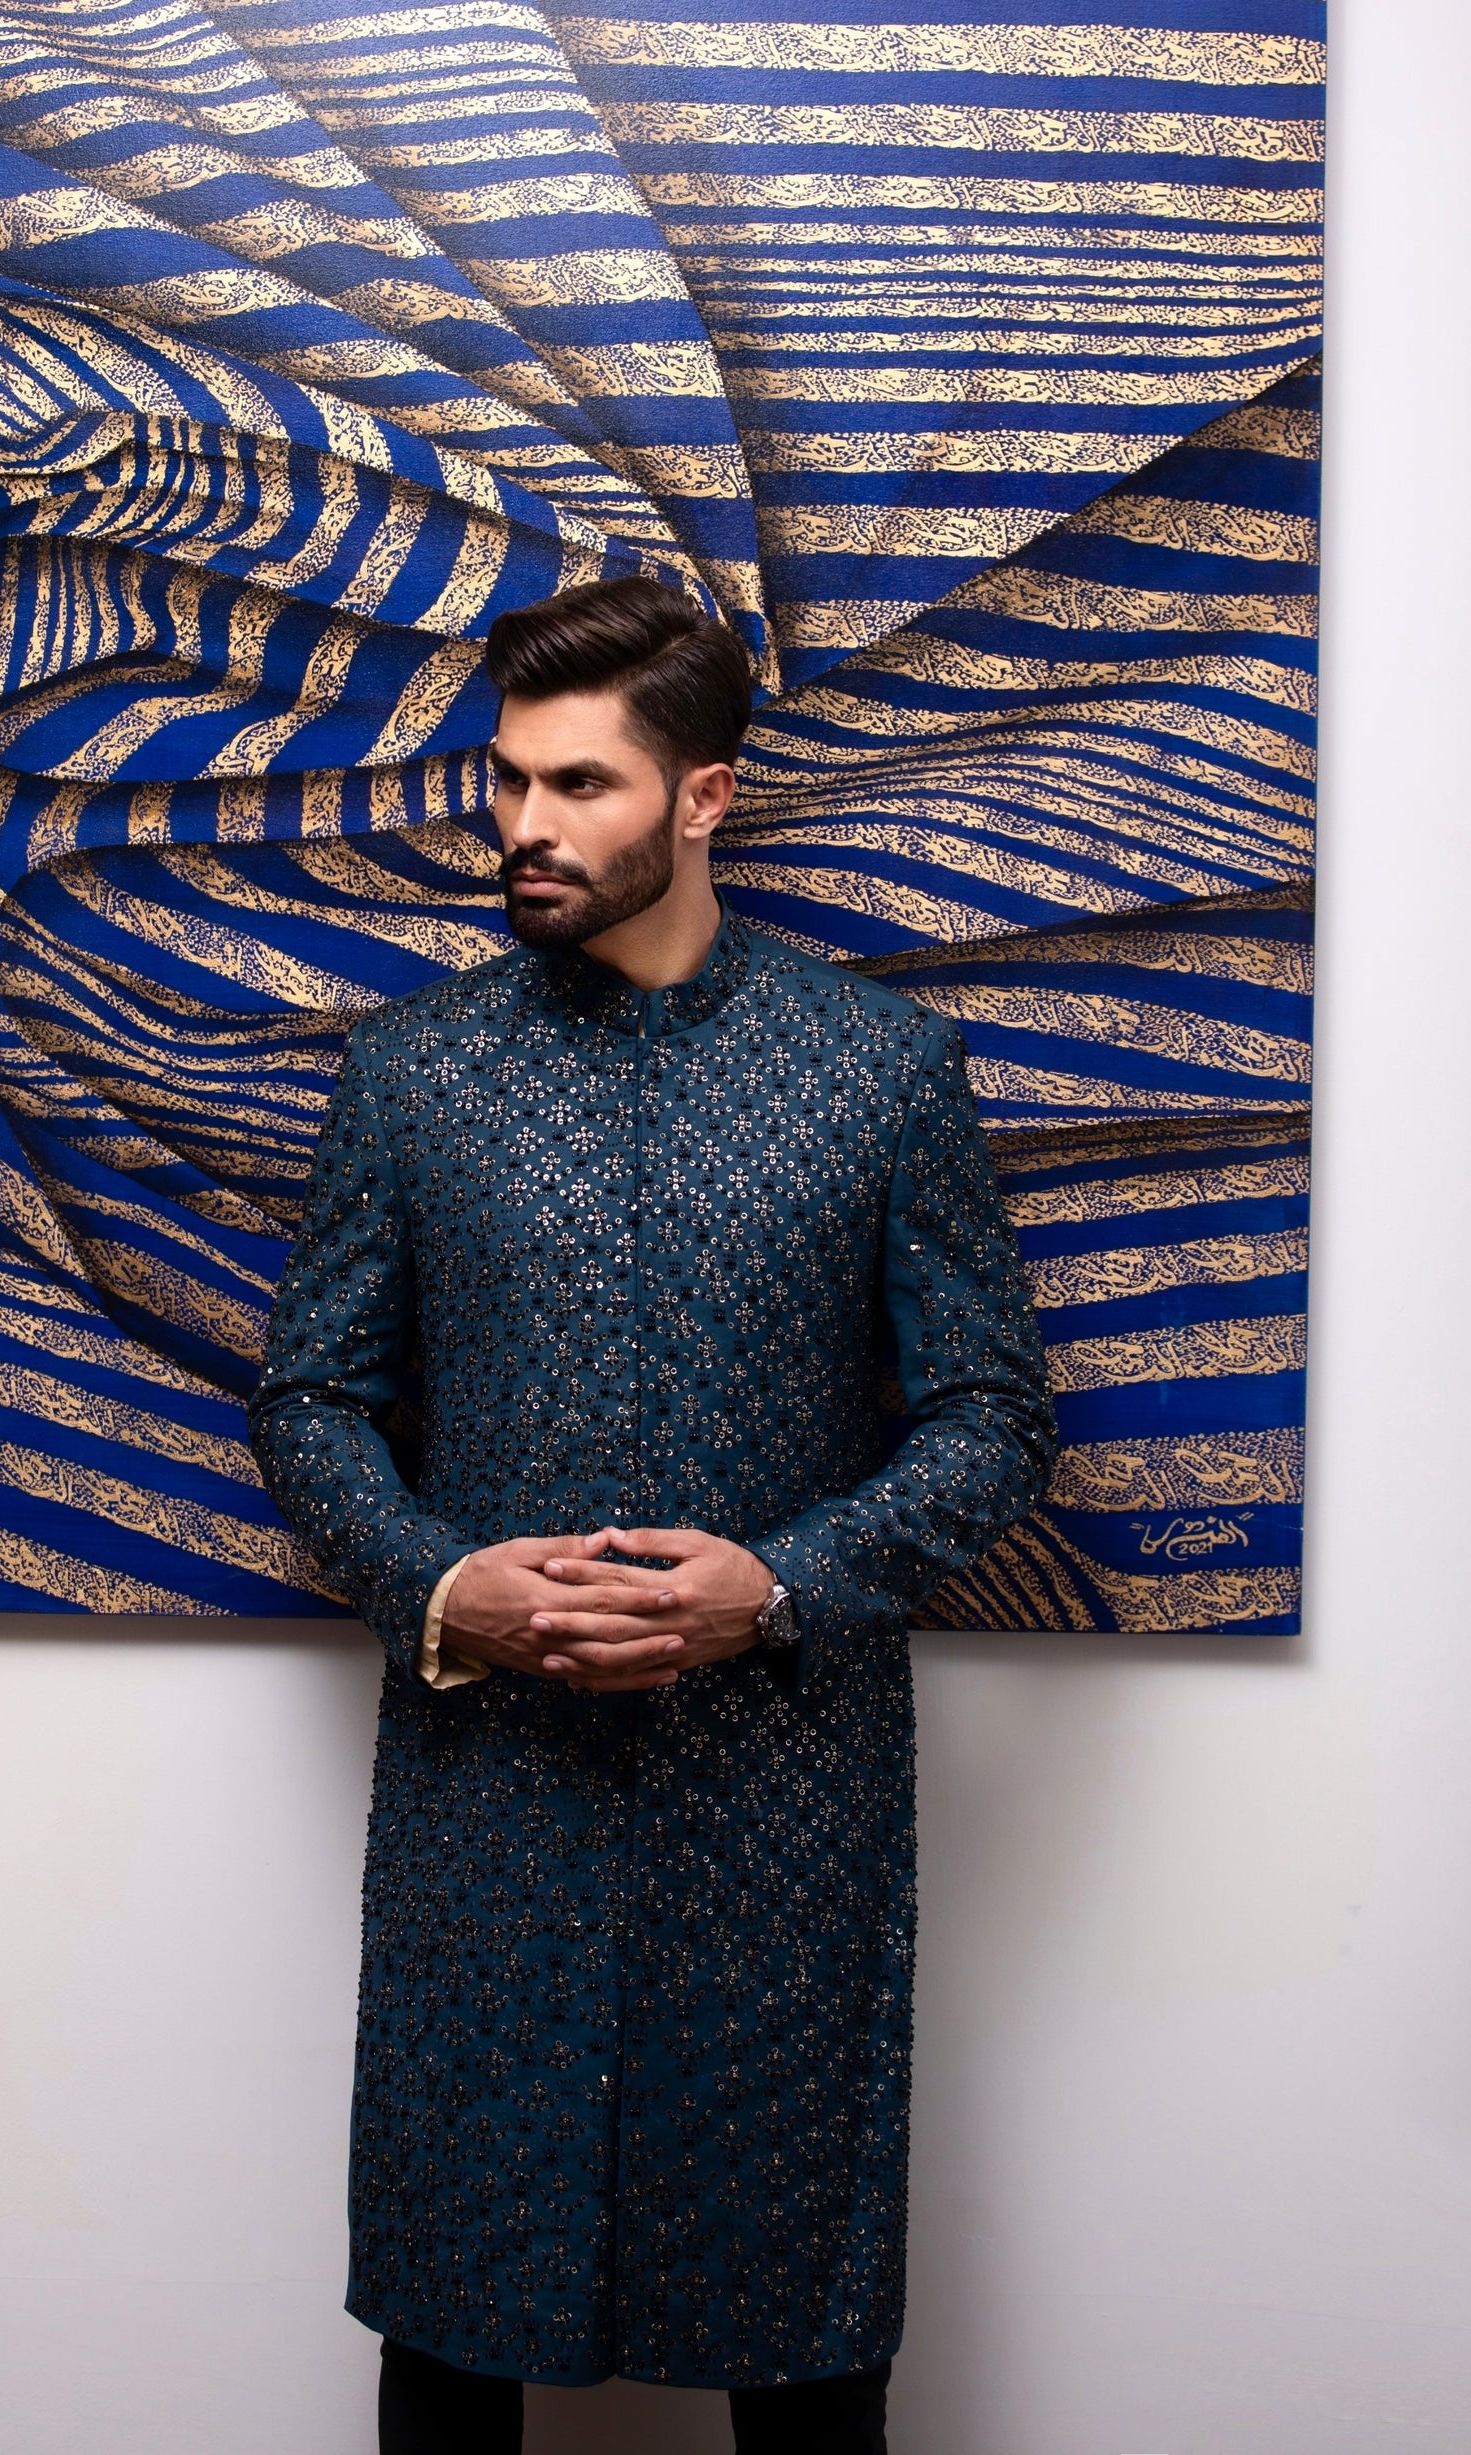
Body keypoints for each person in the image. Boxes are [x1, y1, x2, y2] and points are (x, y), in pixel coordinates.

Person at [249, 576, 1055, 2454]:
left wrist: (778, 1583)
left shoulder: (879, 1071)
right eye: (509, 781)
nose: (523, 826)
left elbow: (991, 1417)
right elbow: (308, 1397)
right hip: (489, 1790)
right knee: (454, 2324)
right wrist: (442, 1583)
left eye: (579, 784)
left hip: (785, 1793)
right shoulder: (414, 1073)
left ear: (702, 796)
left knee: (800, 2340)